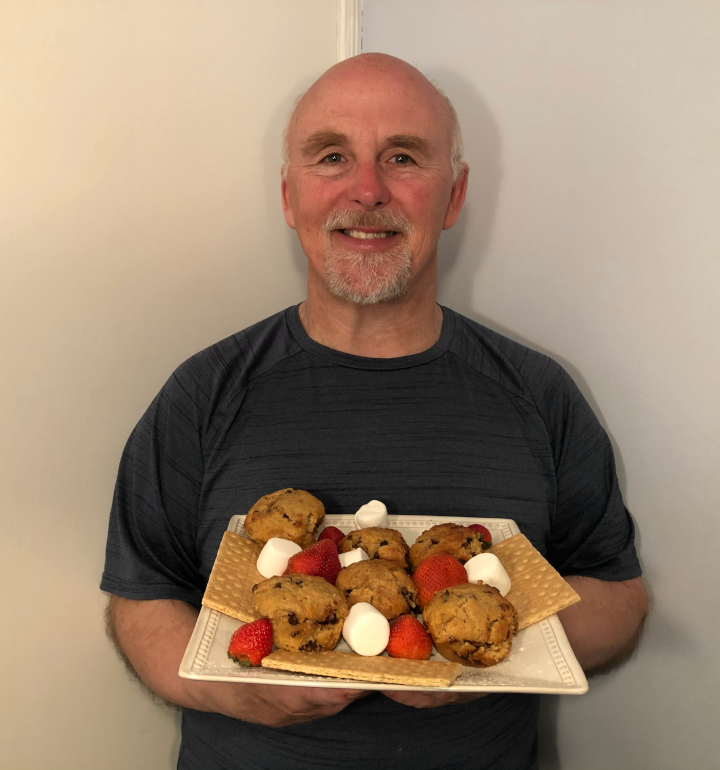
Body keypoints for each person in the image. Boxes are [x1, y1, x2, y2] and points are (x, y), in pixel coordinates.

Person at [102, 53, 648, 770]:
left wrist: (491, 653)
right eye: (332, 157)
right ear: (289, 194)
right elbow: (138, 601)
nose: (366, 190)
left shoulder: (540, 395)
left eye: (402, 157)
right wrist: (238, 693)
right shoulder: (204, 393)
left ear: (452, 198)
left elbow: (619, 601)